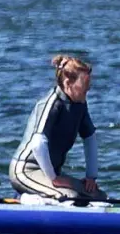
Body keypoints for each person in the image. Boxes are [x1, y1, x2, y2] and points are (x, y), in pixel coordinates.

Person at [10, 55, 104, 202]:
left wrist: (91, 177)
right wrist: (53, 178)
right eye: (84, 85)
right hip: (26, 171)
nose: (88, 88)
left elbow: (89, 138)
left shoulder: (80, 104)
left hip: (51, 174)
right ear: (68, 83)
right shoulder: (52, 103)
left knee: (98, 196)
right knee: (67, 196)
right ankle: (24, 199)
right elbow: (37, 143)